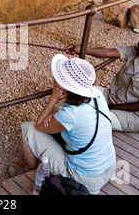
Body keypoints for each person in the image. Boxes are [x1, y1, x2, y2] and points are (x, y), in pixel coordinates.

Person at [21, 54, 115, 194]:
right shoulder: (97, 94)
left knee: (27, 129)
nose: (54, 79)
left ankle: (31, 172)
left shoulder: (70, 115)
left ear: (65, 88)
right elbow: (71, 115)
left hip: (85, 180)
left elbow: (39, 125)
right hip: (109, 168)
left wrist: (53, 98)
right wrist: (57, 114)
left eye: (58, 78)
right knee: (59, 111)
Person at [64, 25, 139, 133]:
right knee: (78, 91)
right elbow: (108, 52)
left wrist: (112, 107)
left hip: (134, 115)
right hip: (113, 98)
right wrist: (80, 49)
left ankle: (64, 135)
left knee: (92, 119)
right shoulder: (134, 52)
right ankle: (61, 119)